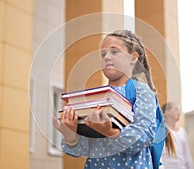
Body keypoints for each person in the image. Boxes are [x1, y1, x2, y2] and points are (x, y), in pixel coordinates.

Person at [53, 30, 175, 169]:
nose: (107, 57)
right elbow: (86, 149)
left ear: (133, 58)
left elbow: (144, 136)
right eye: (103, 54)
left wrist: (111, 132)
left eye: (114, 52)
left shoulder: (141, 92)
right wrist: (71, 136)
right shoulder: (98, 98)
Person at [159, 102, 194, 169]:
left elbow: (187, 155)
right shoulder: (161, 131)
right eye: (176, 109)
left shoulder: (182, 131)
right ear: (167, 112)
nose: (179, 112)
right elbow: (160, 156)